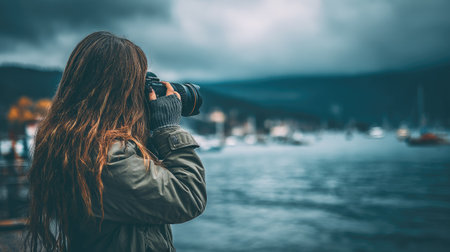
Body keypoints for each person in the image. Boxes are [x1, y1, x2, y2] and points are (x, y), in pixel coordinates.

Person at [26, 31, 207, 252]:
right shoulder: (105, 157)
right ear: (120, 91)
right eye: (137, 82)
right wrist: (167, 128)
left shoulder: (75, 141)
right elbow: (188, 197)